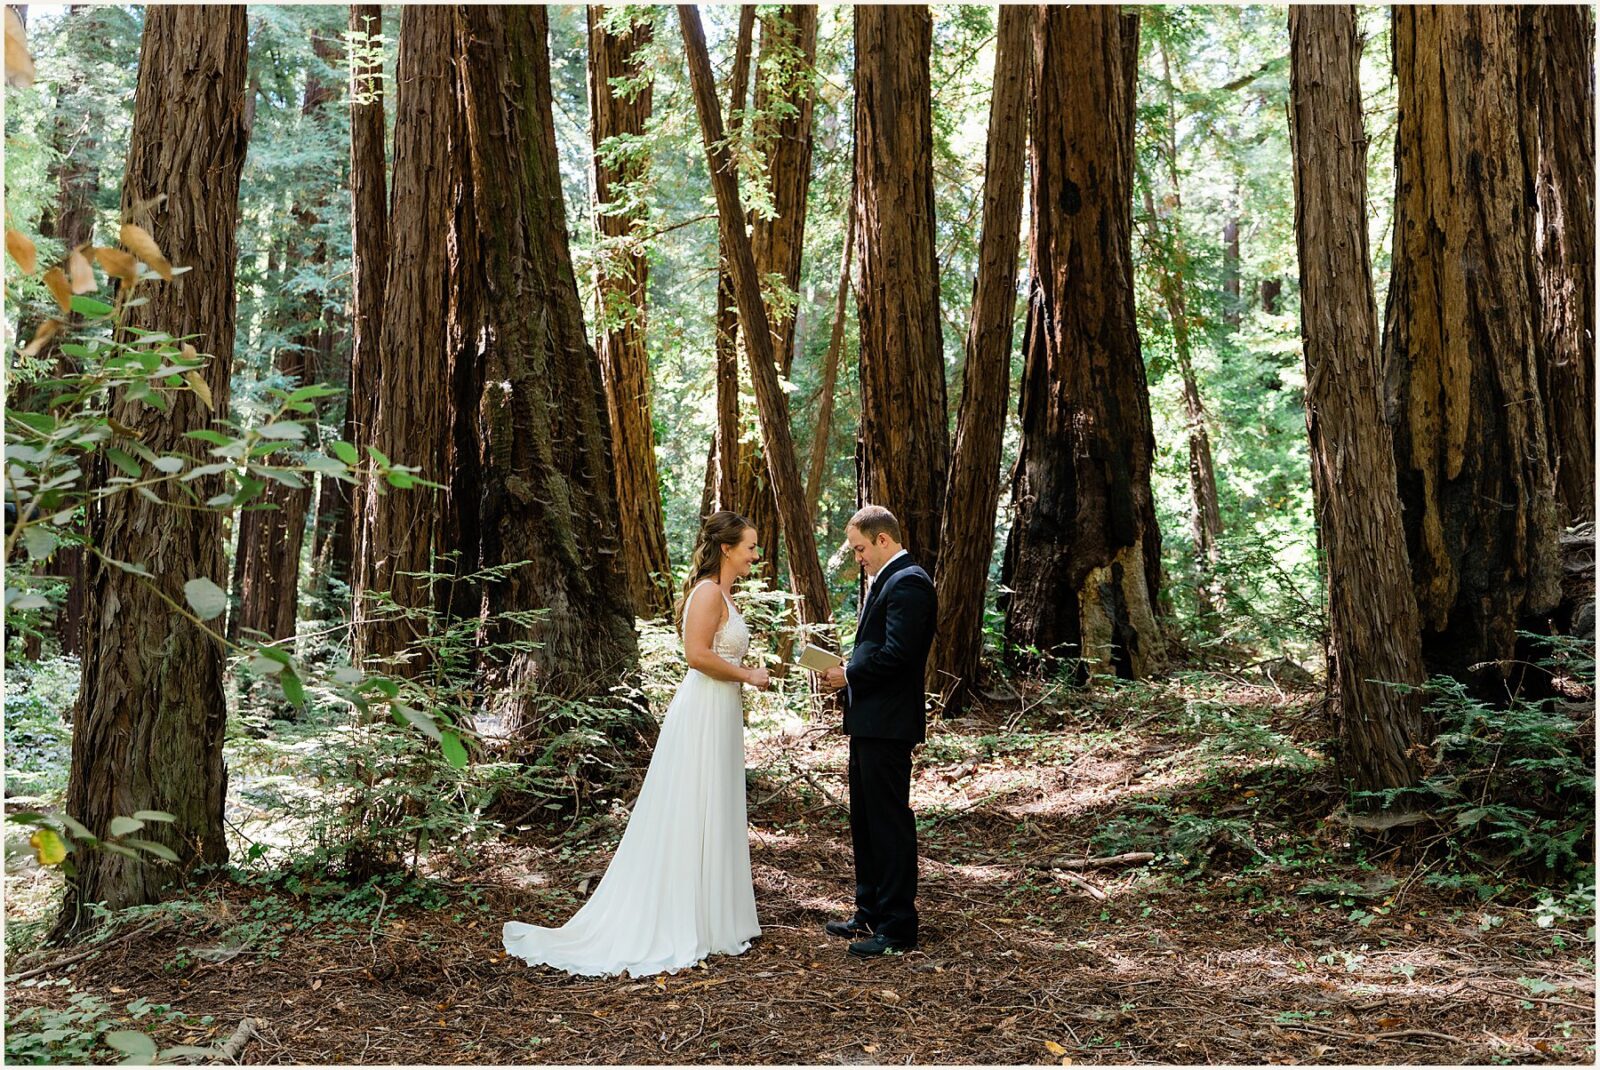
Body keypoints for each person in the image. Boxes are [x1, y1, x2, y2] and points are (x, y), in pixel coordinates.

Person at [501, 511, 770, 977]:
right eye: (749, 546)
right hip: (703, 708)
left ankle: (713, 916)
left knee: (716, 803)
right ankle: (680, 916)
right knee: (692, 805)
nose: (755, 554)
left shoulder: (725, 593)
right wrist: (748, 674)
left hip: (721, 709)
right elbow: (697, 654)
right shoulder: (707, 592)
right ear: (726, 549)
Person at [819, 505, 937, 957]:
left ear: (883, 540)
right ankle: (868, 911)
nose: (858, 557)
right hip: (871, 721)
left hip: (888, 723)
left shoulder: (909, 582)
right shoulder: (889, 579)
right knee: (866, 820)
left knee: (888, 822)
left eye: (860, 548)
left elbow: (898, 655)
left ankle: (898, 927)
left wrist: (849, 672)